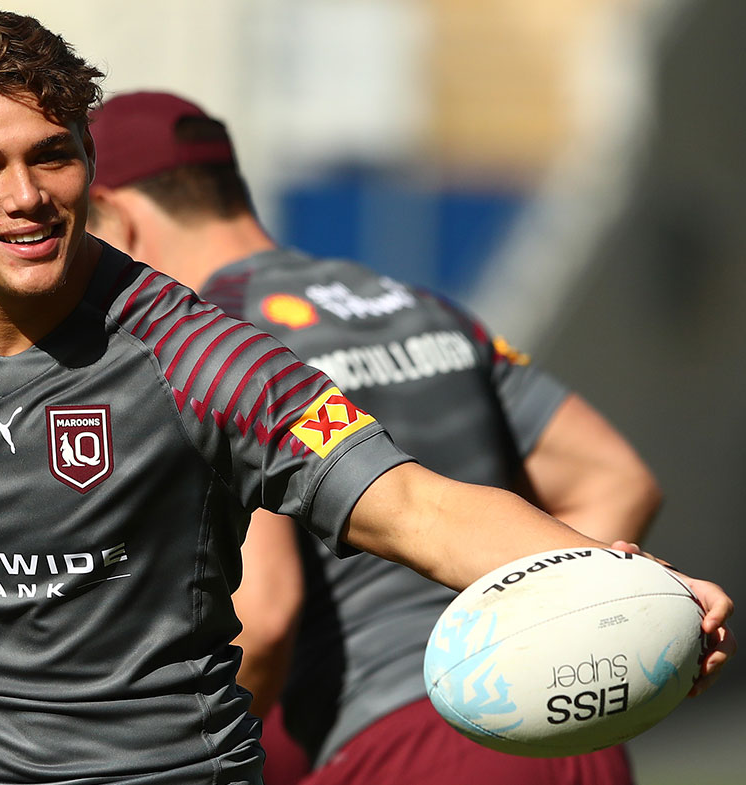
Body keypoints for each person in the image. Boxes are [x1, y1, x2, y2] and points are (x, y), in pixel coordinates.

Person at [0, 5, 733, 785]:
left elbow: (418, 506)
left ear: (87, 163)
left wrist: (623, 582)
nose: (24, 196)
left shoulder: (200, 353)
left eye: (51, 156)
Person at [86, 90, 670, 784]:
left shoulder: (212, 350)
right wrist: (528, 631)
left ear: (117, 221)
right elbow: (615, 478)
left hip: (401, 747)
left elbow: (263, 616)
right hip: (567, 734)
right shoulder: (421, 304)